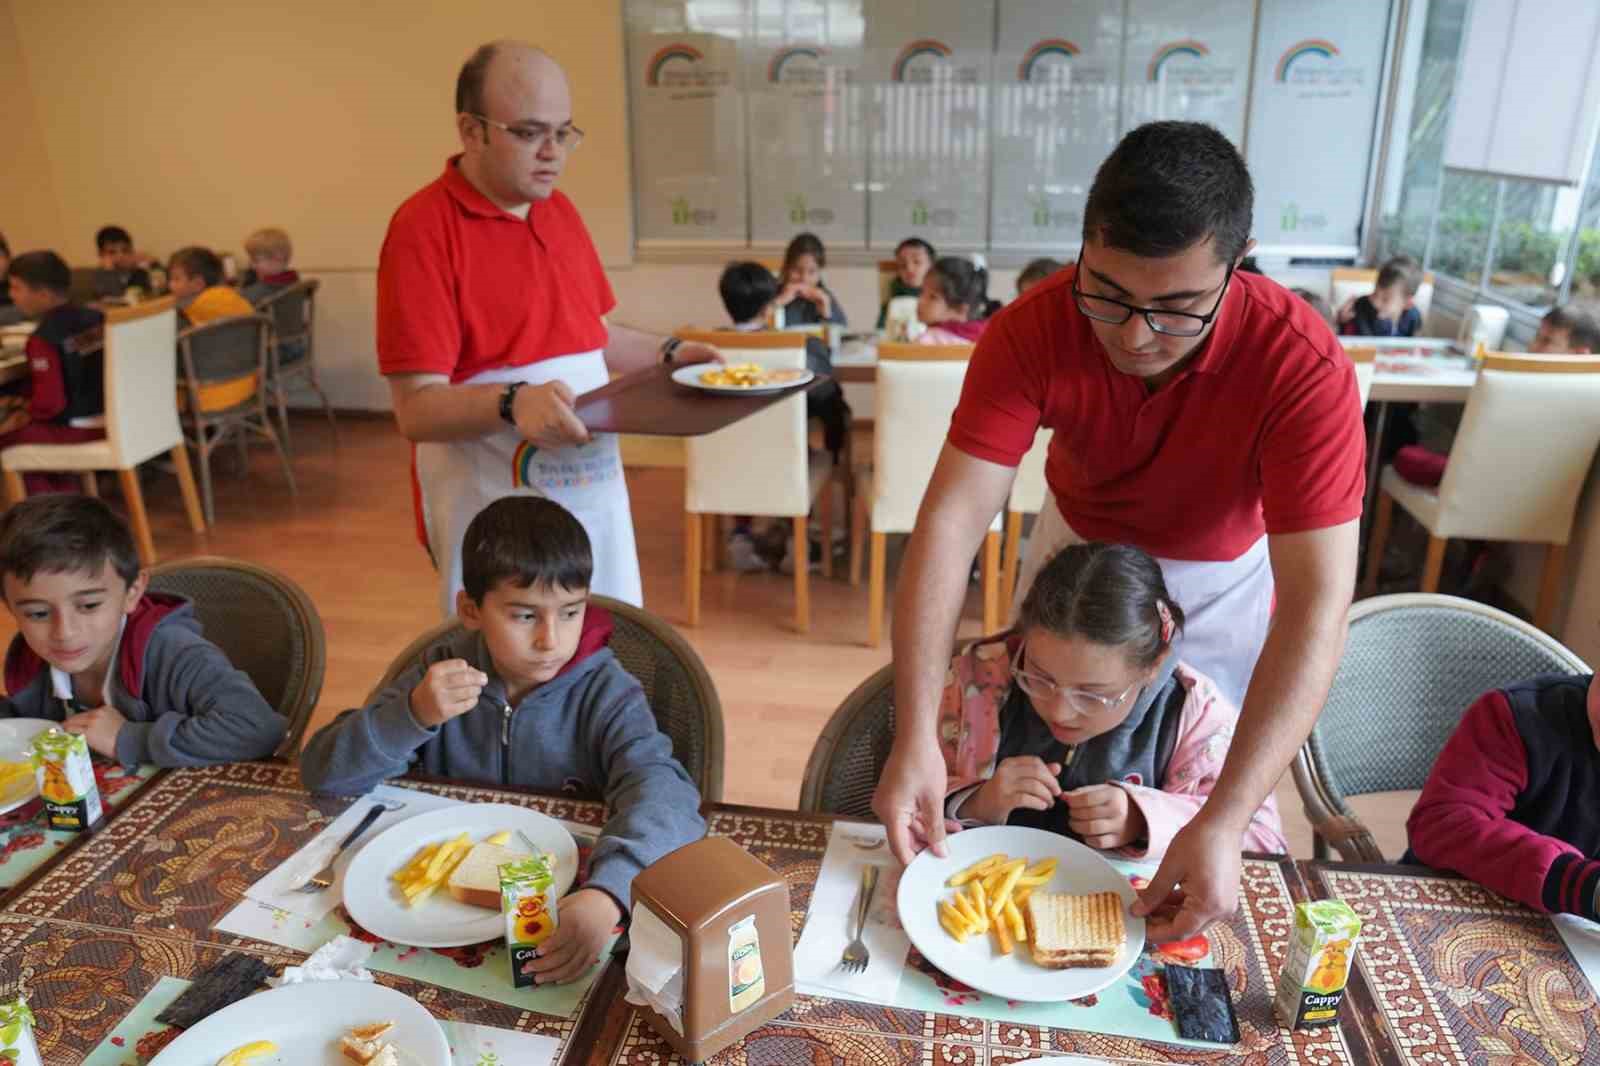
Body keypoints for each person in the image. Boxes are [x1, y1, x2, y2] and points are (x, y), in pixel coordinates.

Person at [872, 121, 1364, 947]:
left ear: (1240, 260)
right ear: (1085, 243)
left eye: (1177, 310)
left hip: (1224, 577)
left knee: (1192, 768)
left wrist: (1224, 816)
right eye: (1105, 294)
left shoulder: (1299, 365)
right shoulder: (1032, 327)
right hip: (1077, 550)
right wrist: (916, 734)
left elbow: (1317, 604)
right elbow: (952, 524)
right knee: (1047, 712)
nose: (1134, 336)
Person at [301, 496, 705, 983]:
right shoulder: (438, 671)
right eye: (525, 616)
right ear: (471, 609)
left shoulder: (606, 691)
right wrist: (411, 715)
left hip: (566, 910)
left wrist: (610, 895)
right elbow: (323, 774)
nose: (550, 640)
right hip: (426, 922)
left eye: (571, 612)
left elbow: (666, 793)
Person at [377, 41, 716, 616]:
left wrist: (672, 352)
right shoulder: (422, 229)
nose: (552, 153)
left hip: (593, 489)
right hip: (494, 503)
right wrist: (513, 402)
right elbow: (416, 410)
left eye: (564, 133)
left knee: (607, 638)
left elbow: (594, 335)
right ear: (471, 130)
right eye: (531, 132)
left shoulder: (559, 211)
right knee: (515, 667)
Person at [940, 543, 1285, 858]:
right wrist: (976, 802)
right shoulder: (979, 681)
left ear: (1153, 666)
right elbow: (905, 795)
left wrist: (1145, 819)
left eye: (1092, 694)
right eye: (1040, 678)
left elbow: (1264, 841)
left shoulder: (1197, 717)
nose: (1060, 711)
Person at [0, 496, 286, 766]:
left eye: (88, 605)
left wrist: (129, 739)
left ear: (132, 592)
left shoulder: (173, 652)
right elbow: (23, 728)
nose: (65, 632)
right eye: (38, 613)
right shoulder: (29, 661)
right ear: (10, 607)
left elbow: (258, 728)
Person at [1406, 670, 1600, 921]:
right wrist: (1578, 884)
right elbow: (1439, 825)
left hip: (1567, 934)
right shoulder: (1518, 717)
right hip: (1446, 903)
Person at [717, 261, 851, 571]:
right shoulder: (798, 347)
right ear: (771, 302)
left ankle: (741, 534)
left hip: (727, 458)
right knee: (805, 454)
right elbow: (823, 388)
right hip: (782, 454)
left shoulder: (709, 347)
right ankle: (796, 539)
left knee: (744, 456)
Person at [1395, 303, 1600, 487]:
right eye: (1536, 336)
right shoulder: (1591, 402)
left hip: (1486, 483)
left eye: (1546, 340)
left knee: (1405, 455)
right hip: (1541, 497)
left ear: (1581, 355)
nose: (1532, 346)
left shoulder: (1521, 391)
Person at [3, 252, 107, 485]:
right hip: (113, 418)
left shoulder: (43, 340)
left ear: (43, 295)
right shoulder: (98, 317)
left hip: (76, 429)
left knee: (9, 436)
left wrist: (22, 413)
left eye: (17, 288)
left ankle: (44, 507)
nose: (12, 296)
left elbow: (50, 404)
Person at [1337, 255, 1422, 338]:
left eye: (1385, 299)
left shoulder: (1413, 317)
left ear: (1407, 303)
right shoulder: (1360, 307)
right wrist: (1342, 322)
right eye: (1375, 293)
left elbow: (1414, 346)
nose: (1376, 302)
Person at [167, 247, 253, 327]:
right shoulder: (231, 294)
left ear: (198, 284)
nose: (170, 284)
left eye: (176, 279)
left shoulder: (191, 307)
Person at [776, 233, 846, 328]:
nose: (804, 278)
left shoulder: (825, 298)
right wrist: (777, 303)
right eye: (797, 270)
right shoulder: (772, 293)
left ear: (819, 271)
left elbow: (841, 337)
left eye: (812, 272)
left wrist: (826, 313)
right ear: (787, 268)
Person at [915, 257, 990, 344]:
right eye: (921, 292)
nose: (920, 301)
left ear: (960, 310)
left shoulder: (928, 340)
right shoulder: (988, 338)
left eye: (933, 297)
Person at [876, 237, 935, 329]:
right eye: (903, 265)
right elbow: (881, 332)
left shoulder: (942, 300)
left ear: (932, 266)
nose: (909, 269)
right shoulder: (891, 302)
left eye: (917, 262)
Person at [240, 228, 301, 306]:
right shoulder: (294, 283)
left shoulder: (265, 290)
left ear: (278, 258)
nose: (252, 266)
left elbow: (241, 302)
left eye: (255, 260)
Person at [93, 226, 152, 299]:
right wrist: (109, 272)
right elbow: (116, 296)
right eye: (112, 252)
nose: (120, 256)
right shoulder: (101, 275)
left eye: (125, 250)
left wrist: (148, 264)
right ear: (101, 255)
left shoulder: (137, 269)